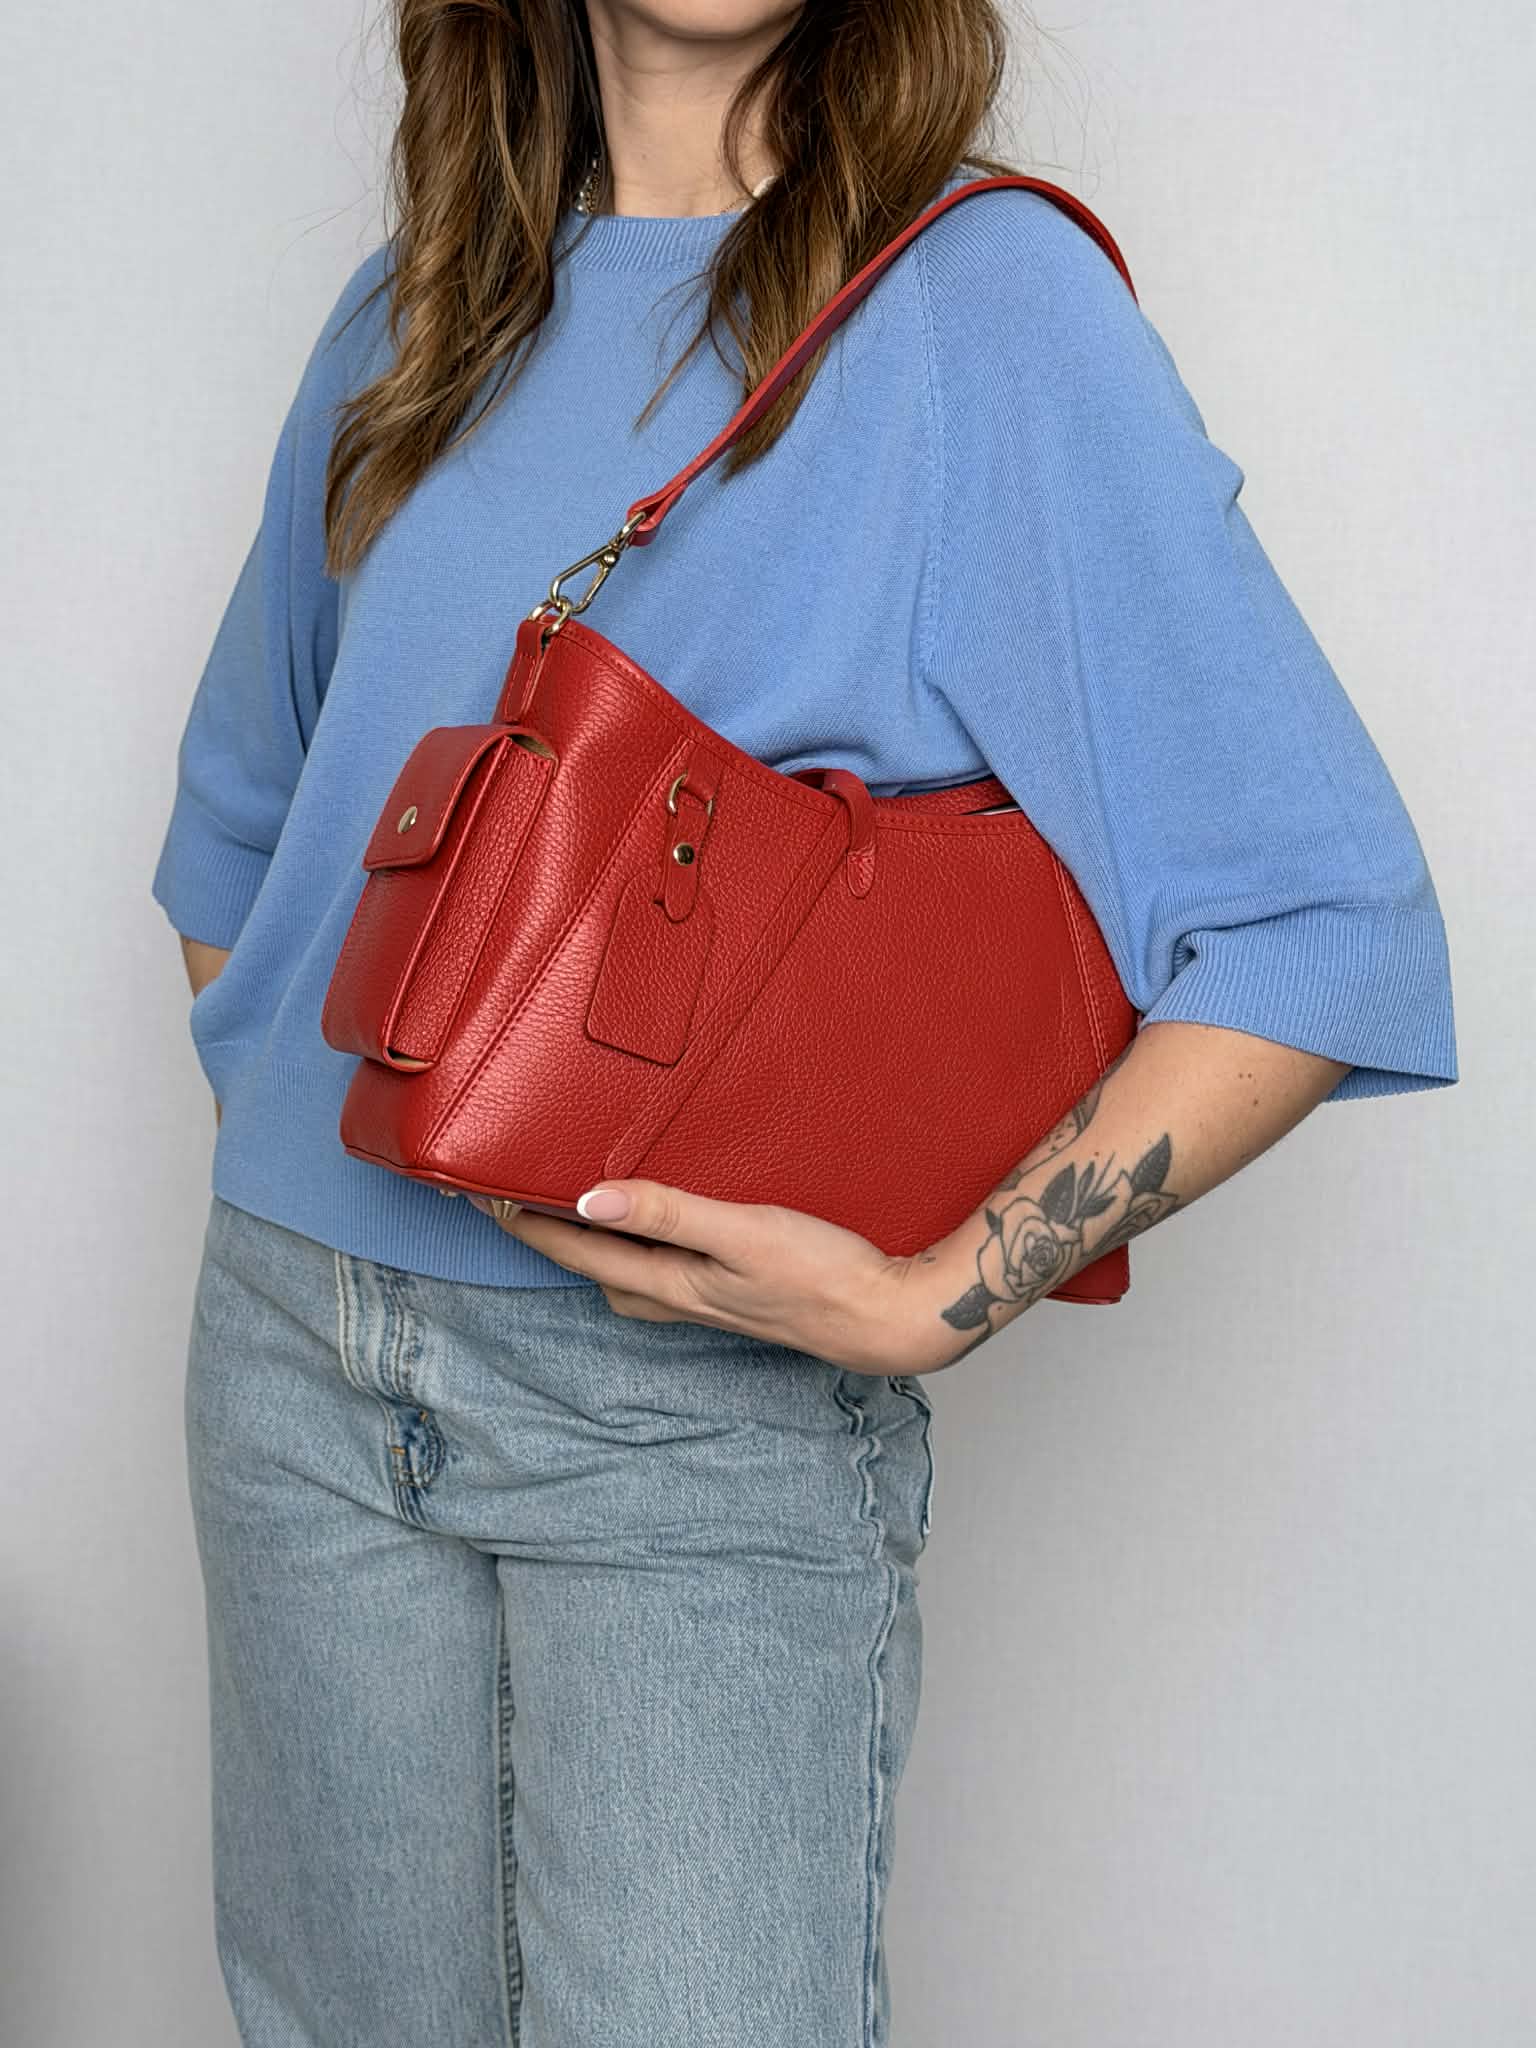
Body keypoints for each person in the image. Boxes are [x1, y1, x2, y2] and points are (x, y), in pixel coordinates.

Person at [150, 2, 1458, 2042]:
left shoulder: (982, 310)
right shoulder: (421, 308)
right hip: (292, 1371)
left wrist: (942, 1296)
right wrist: (316, 1199)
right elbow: (243, 827)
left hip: (687, 1418)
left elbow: (1321, 922)